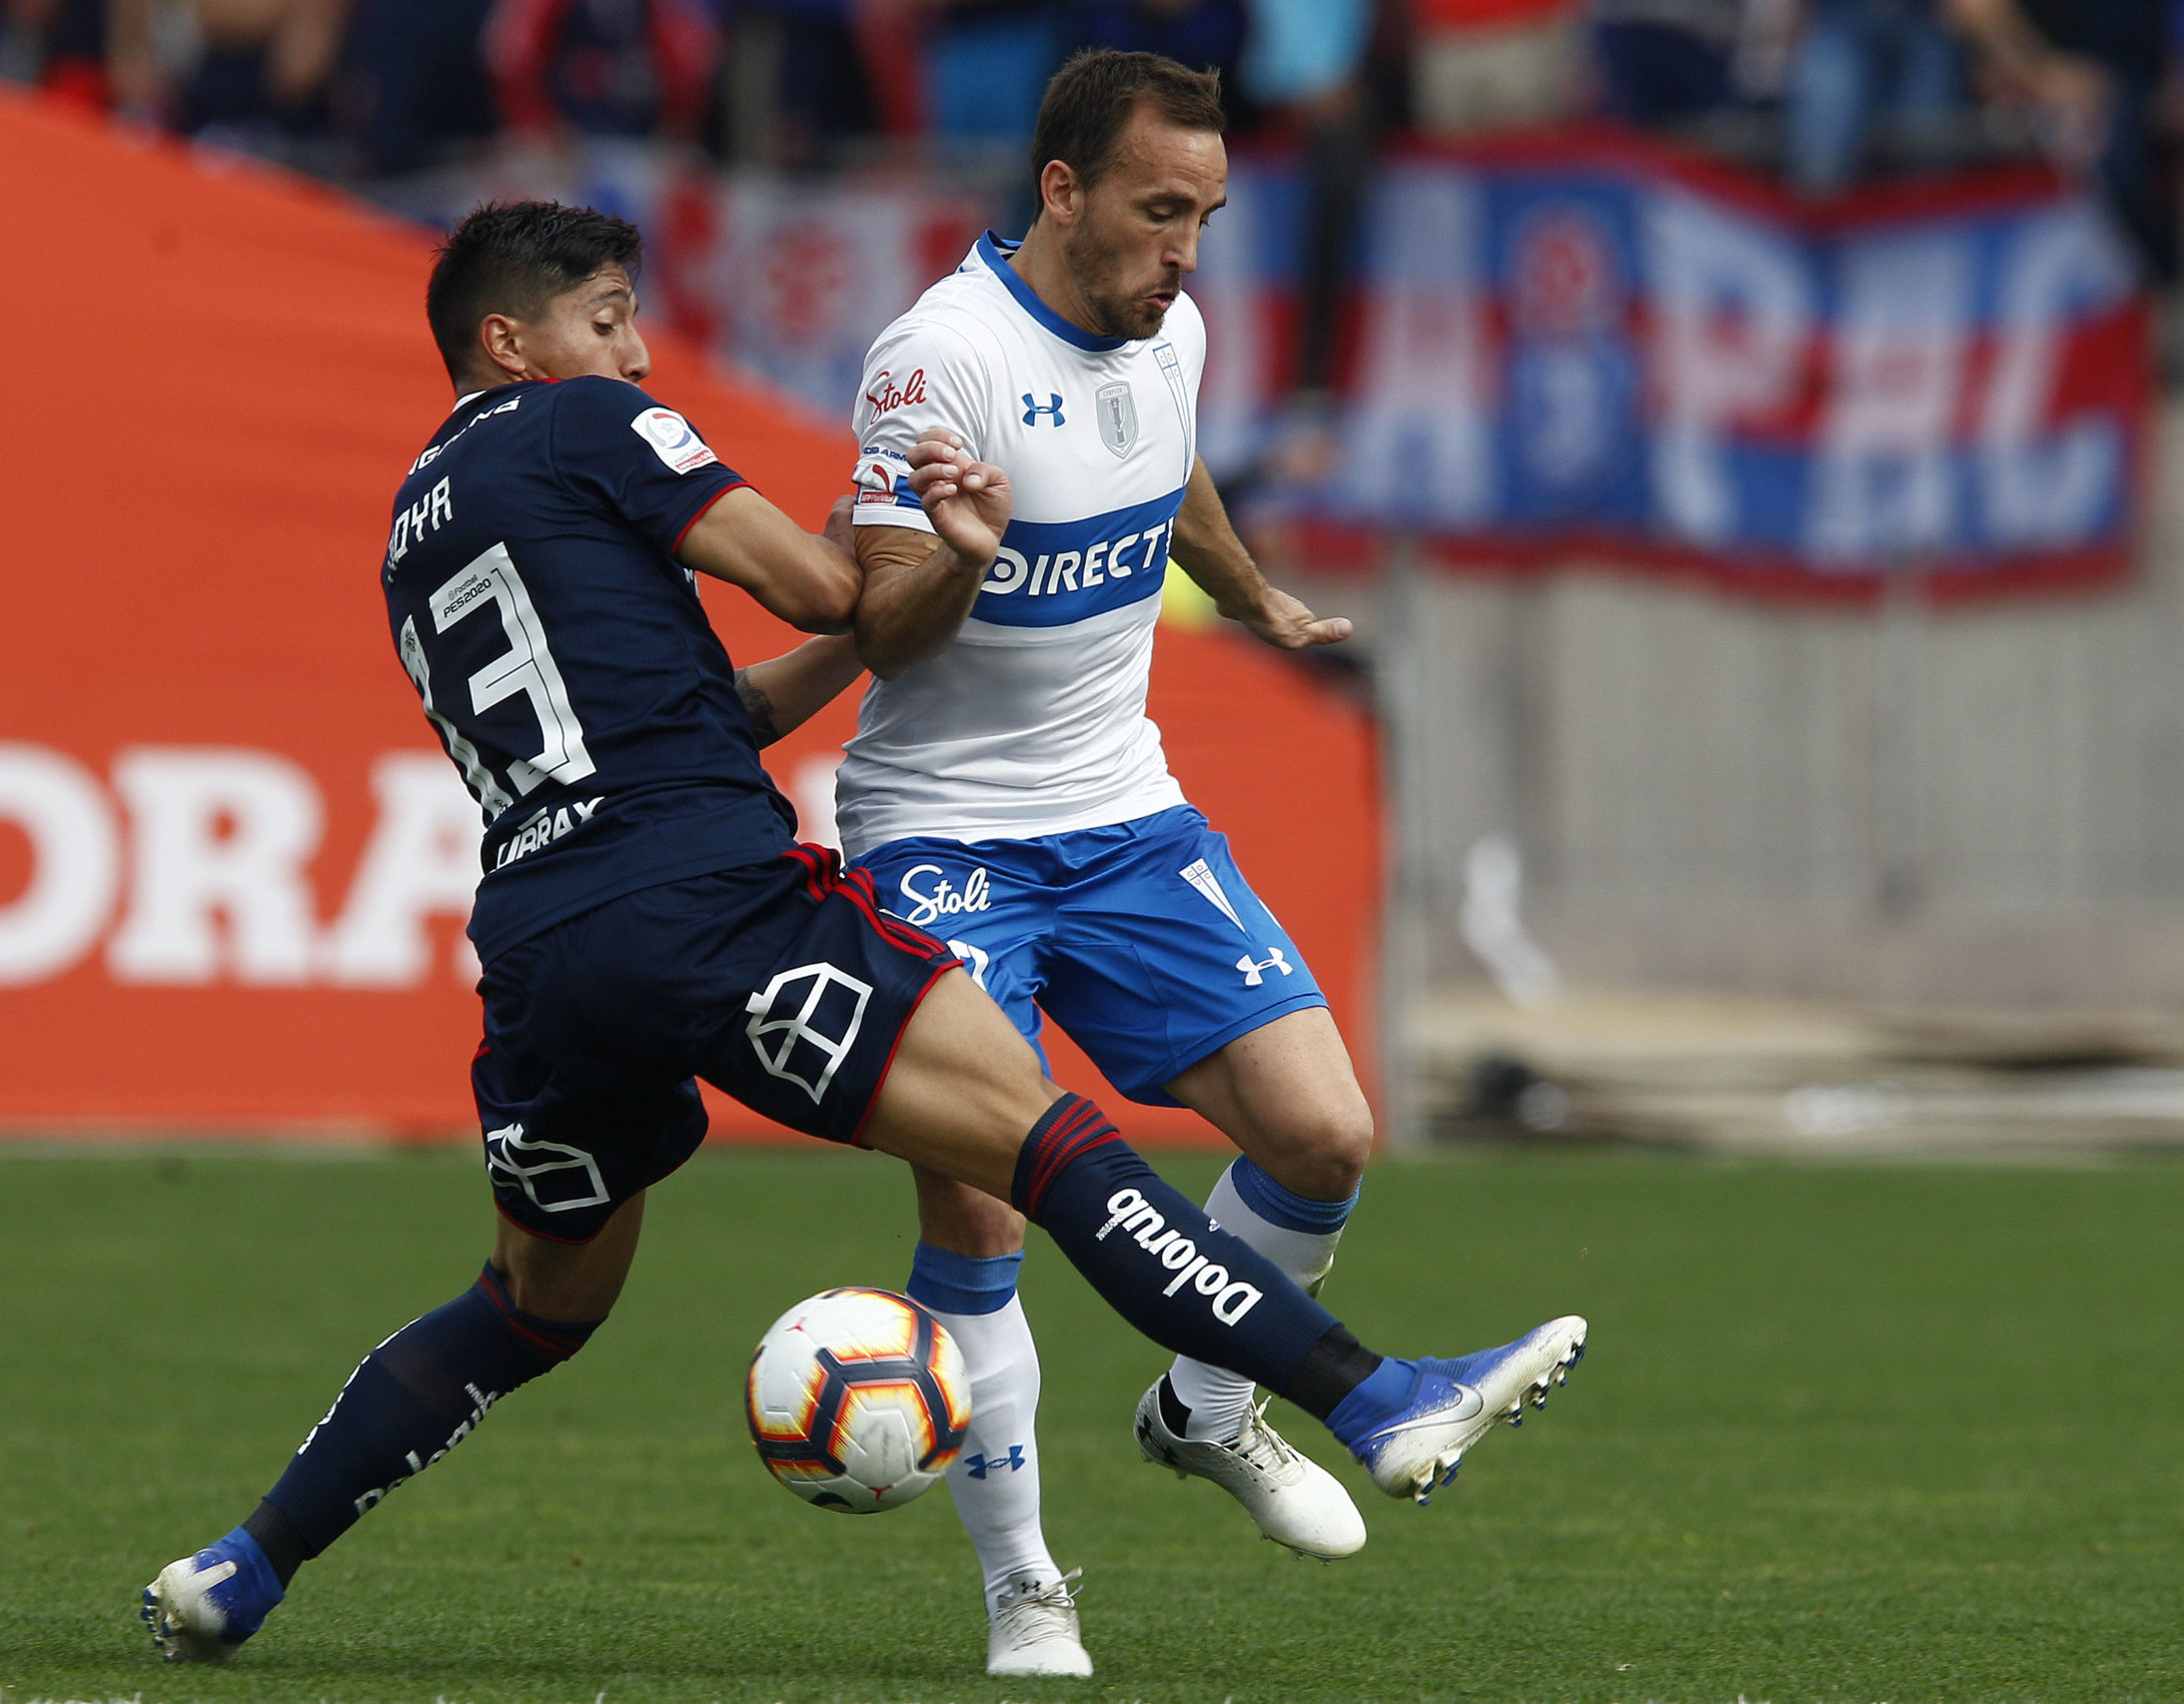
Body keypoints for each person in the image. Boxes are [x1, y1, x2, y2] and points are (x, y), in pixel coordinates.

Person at [135, 197, 1587, 1669]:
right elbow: (834, 584)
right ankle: (1373, 1397)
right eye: (607, 320)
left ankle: (243, 1565)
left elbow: (721, 711)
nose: (636, 355)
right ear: (509, 344)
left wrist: (864, 610)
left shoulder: (414, 522)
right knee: (1049, 1146)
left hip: (543, 950)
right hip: (709, 902)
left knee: (531, 1305)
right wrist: (921, 545)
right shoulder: (585, 422)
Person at [835, 50, 1585, 1678]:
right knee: (982, 1203)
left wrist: (1252, 595)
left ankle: (1206, 1403)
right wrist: (966, 554)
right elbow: (876, 622)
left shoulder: (1169, 326)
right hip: (943, 831)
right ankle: (1027, 1590)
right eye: (1158, 209)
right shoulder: (941, 355)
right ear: (1061, 191)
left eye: (1208, 215)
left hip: (1123, 813)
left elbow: (1171, 470)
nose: (1187, 249)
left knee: (1325, 1132)